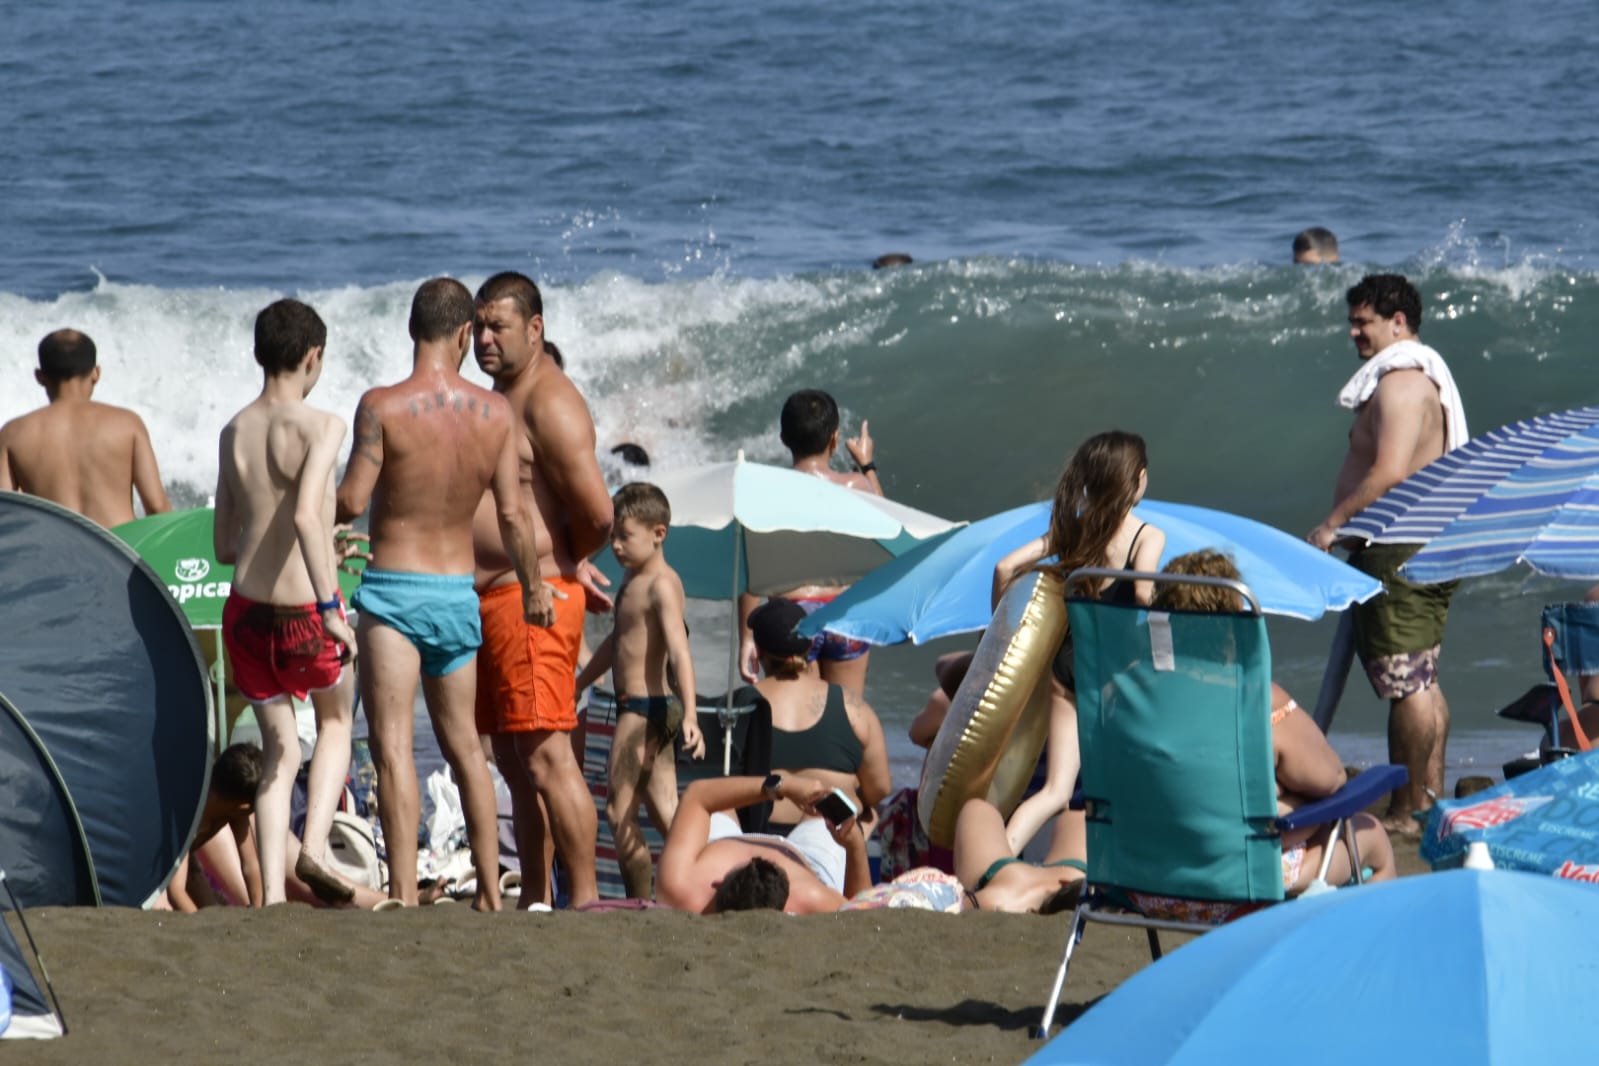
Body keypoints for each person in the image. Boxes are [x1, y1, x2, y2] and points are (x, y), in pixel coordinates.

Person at [336, 277, 548, 911]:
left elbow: (350, 501)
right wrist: (534, 587)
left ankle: (401, 893)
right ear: (464, 335)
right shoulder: (496, 415)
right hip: (458, 594)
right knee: (465, 748)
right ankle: (488, 889)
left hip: (394, 594)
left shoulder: (381, 406)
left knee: (393, 746)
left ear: (411, 330)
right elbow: (513, 516)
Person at [469, 271, 613, 909]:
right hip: (497, 602)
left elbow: (600, 513)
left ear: (535, 328)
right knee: (516, 762)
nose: (484, 339)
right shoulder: (504, 399)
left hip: (534, 602)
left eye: (497, 326)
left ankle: (580, 900)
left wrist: (561, 559)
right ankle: (536, 894)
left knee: (550, 758)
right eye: (478, 326)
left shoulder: (547, 400)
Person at [1308, 273, 1469, 833]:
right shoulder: (1418, 379)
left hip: (1402, 546)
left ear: (1398, 323)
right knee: (1422, 679)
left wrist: (1332, 525)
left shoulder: (1402, 385)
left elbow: (1392, 471)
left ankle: (1408, 811)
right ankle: (1430, 801)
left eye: (1363, 322)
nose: (1353, 332)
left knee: (1408, 686)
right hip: (1426, 543)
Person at [213, 298, 359, 906]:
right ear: (313, 356)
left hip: (245, 614)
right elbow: (302, 513)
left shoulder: (233, 431)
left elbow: (225, 544)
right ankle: (316, 846)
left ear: (258, 354)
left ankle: (272, 894)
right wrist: (330, 605)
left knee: (279, 750)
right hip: (305, 614)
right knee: (335, 722)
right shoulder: (323, 425)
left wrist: (322, 539)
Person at [1149, 549, 1396, 898]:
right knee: (1372, 835)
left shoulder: (1135, 696)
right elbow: (1332, 779)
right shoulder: (1257, 700)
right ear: (1234, 622)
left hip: (1155, 877)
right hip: (1245, 878)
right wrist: (1288, 799)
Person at [991, 430, 1166, 854]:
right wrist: (1166, 646)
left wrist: (999, 637)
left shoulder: (1075, 529)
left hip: (1067, 670)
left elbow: (1004, 567)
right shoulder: (1148, 536)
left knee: (1056, 790)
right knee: (1139, 778)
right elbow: (1143, 595)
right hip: (1116, 676)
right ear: (1139, 479)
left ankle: (993, 863)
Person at [574, 482, 705, 898]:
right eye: (613, 536)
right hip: (651, 708)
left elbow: (681, 654)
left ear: (658, 534)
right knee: (665, 812)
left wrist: (693, 716)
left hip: (645, 710)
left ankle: (640, 901)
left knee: (618, 812)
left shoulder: (661, 586)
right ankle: (704, 886)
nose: (615, 546)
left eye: (625, 536)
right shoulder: (633, 579)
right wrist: (577, 683)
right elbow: (617, 643)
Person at [737, 389, 882, 689]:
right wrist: (866, 466)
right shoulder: (855, 485)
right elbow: (890, 530)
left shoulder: (767, 492)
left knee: (794, 722)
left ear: (783, 438)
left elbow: (752, 569)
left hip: (792, 618)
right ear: (834, 439)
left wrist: (747, 638)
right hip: (845, 613)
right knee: (847, 717)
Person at [0, 328, 171, 527]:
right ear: (96, 373)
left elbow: (5, 517)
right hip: (118, 552)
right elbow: (157, 507)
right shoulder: (127, 424)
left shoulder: (14, 434)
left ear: (39, 376)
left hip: (52, 555)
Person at [747, 598, 891, 830]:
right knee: (869, 815)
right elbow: (880, 787)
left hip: (760, 834)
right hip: (830, 837)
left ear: (759, 650)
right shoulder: (853, 707)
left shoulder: (741, 705)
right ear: (811, 644)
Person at [656, 772, 870, 914]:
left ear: (717, 883)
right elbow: (861, 914)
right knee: (833, 807)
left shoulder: (680, 888)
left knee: (721, 805)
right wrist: (855, 847)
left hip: (719, 844)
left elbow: (698, 795)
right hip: (806, 858)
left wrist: (783, 786)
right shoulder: (810, 897)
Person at [952, 798, 1085, 913]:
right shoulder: (1000, 902)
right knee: (1078, 819)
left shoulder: (1001, 903)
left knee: (978, 810)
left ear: (1064, 883)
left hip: (1016, 885)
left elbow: (954, 905)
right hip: (1019, 883)